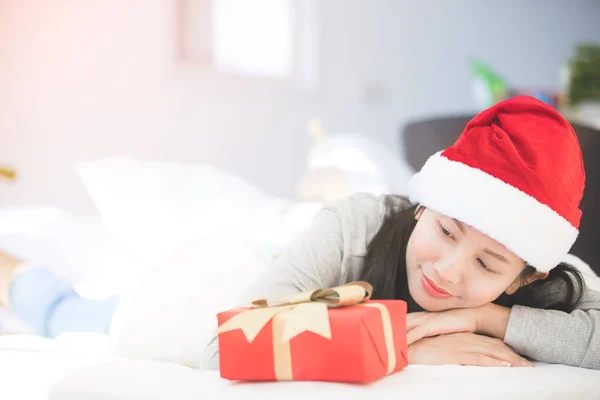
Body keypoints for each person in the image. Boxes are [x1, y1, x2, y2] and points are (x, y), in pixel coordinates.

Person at [1, 96, 599, 370]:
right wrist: (408, 345)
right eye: (446, 231)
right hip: (226, 286)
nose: (449, 271)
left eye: (490, 267)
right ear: (423, 207)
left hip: (303, 289)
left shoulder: (548, 279)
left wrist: (484, 319)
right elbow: (231, 339)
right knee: (74, 313)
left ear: (529, 274)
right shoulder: (356, 225)